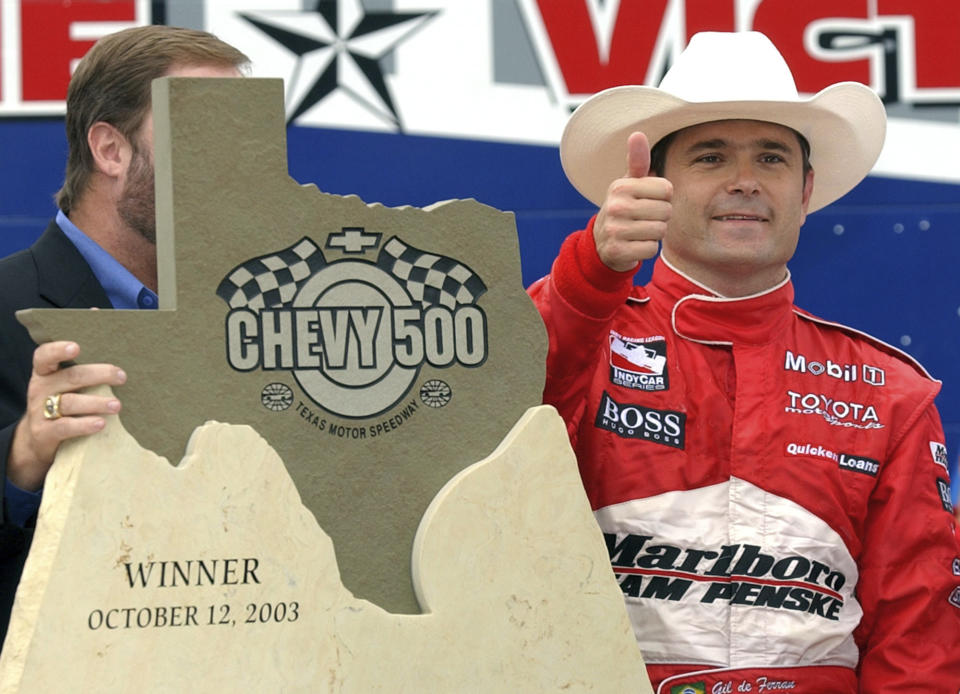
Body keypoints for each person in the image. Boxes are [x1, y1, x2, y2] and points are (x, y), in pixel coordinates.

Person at [529, 32, 960, 692]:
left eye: (771, 157)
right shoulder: (586, 330)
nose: (745, 181)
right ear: (654, 185)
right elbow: (492, 417)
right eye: (711, 156)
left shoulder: (888, 392)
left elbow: (919, 636)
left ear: (807, 189)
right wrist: (594, 270)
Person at [0, 25, 249, 646]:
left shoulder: (257, 310)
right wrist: (24, 454)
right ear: (111, 150)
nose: (235, 164)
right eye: (201, 132)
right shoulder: (6, 303)